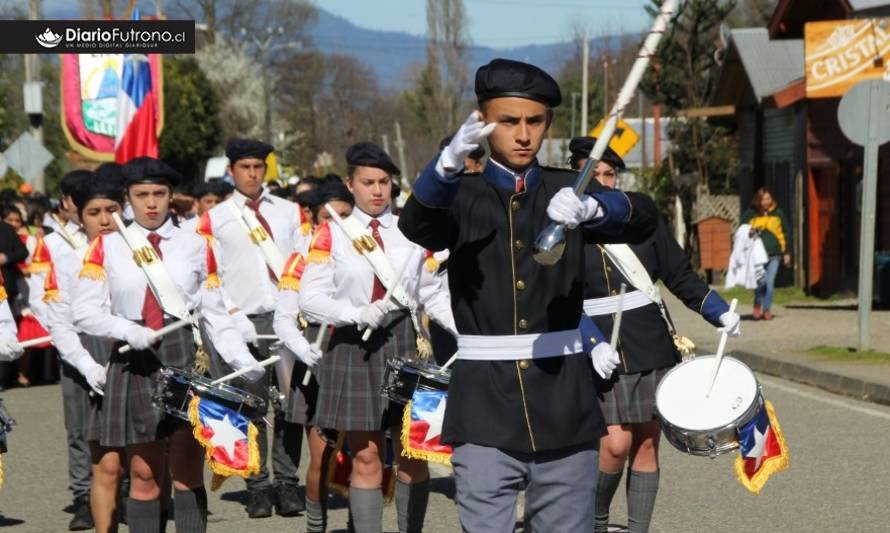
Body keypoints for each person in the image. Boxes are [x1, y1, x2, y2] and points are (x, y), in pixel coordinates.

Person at [398, 58, 658, 533]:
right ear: (484, 124)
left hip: (565, 404)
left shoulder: (567, 192)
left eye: (534, 122)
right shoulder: (462, 194)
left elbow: (645, 218)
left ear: (548, 124)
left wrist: (595, 206)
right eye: (509, 121)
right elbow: (417, 225)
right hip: (484, 407)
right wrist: (444, 167)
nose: (523, 135)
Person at [73, 156, 264, 533]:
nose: (151, 203)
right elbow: (83, 312)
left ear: (170, 195)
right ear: (127, 198)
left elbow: (214, 311)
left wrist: (241, 357)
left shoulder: (194, 241)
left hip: (184, 352)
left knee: (187, 469)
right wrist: (126, 329)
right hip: (134, 357)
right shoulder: (107, 247)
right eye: (141, 194)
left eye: (159, 193)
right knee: (143, 473)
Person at [568, 136, 741, 533]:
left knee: (646, 443)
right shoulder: (565, 226)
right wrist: (591, 343)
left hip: (650, 340)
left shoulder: (639, 218)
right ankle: (593, 524)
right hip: (601, 348)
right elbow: (558, 298)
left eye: (609, 174)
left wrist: (718, 312)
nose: (600, 183)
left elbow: (678, 273)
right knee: (613, 445)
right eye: (590, 175)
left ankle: (637, 528)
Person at [299, 141, 457, 533]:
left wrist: (462, 329)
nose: (377, 191)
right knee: (366, 456)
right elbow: (310, 298)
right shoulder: (331, 233)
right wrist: (354, 312)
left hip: (406, 340)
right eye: (368, 182)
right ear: (350, 185)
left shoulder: (411, 230)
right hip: (354, 346)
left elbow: (431, 292)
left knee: (413, 454)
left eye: (384, 182)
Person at [196, 138, 309, 518]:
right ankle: (258, 485)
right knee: (251, 405)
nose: (252, 174)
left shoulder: (289, 212)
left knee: (291, 406)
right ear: (231, 171)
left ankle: (288, 483)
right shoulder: (216, 218)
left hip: (285, 317)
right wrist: (230, 314)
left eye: (258, 167)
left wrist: (293, 308)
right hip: (241, 322)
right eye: (245, 167)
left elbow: (302, 264)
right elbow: (209, 275)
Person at [274, 178, 355, 533]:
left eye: (345, 215)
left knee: (362, 454)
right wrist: (303, 349)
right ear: (313, 218)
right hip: (317, 355)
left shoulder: (366, 251)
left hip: (359, 354)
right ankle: (315, 525)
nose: (337, 224)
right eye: (328, 217)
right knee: (322, 457)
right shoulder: (301, 258)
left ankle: (359, 522)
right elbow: (283, 318)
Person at [25, 169, 97, 530]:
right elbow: (39, 298)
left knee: (124, 420)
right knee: (79, 425)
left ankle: (124, 489)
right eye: (81, 201)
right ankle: (84, 495)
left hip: (113, 339)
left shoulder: (111, 237)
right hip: (73, 342)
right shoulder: (50, 244)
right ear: (67, 203)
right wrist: (64, 328)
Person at [741, 187, 791, 321]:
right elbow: (742, 230)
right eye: (763, 199)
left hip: (775, 255)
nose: (766, 201)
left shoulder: (778, 213)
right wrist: (749, 233)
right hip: (757, 256)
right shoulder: (750, 214)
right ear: (758, 200)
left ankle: (766, 309)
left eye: (768, 198)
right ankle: (757, 303)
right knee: (760, 282)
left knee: (769, 283)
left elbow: (786, 233)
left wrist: (787, 253)